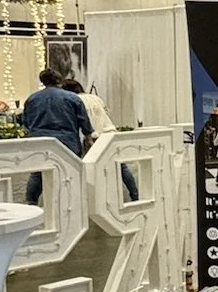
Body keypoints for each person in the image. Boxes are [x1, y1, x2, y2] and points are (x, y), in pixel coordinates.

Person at [20, 68, 92, 204]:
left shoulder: (32, 99)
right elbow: (84, 121)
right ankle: (69, 203)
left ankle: (31, 203)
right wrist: (88, 138)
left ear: (42, 81)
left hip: (39, 141)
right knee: (69, 173)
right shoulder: (72, 98)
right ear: (59, 80)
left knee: (37, 174)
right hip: (67, 141)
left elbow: (27, 123)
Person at [66, 79, 138, 201]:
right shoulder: (95, 98)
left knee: (91, 169)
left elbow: (81, 121)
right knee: (121, 166)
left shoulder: (75, 100)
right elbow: (106, 112)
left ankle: (96, 200)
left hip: (94, 136)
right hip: (110, 132)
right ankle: (134, 195)